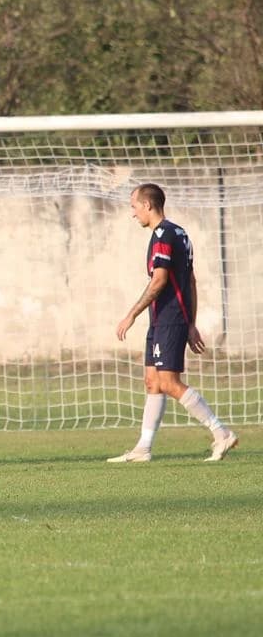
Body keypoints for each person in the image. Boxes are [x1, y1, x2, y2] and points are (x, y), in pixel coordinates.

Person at [110, 183, 239, 463]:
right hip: (164, 318)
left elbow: (160, 280)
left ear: (147, 205)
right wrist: (191, 323)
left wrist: (131, 314)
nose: (133, 213)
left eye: (134, 206)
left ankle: (221, 432)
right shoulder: (180, 233)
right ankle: (143, 448)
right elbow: (190, 280)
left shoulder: (163, 235)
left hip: (169, 318)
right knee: (152, 381)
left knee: (168, 382)